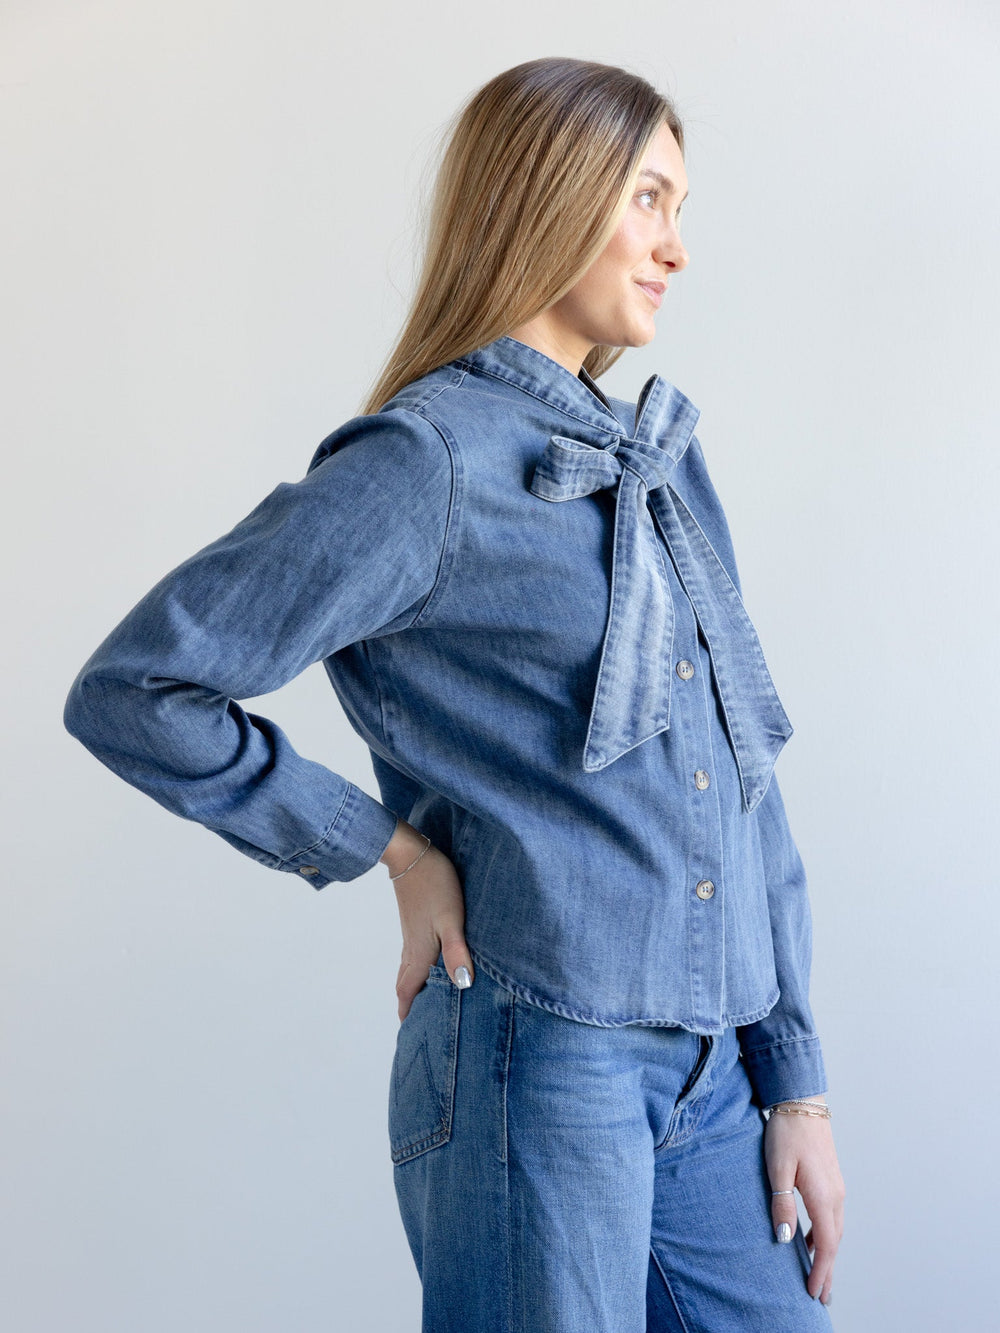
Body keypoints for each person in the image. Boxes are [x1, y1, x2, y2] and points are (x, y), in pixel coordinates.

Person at [64, 55, 845, 1333]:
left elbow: (741, 779)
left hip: (713, 1078)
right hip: (540, 1064)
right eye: (648, 200)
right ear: (551, 195)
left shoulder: (658, 465)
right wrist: (389, 848)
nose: (676, 248)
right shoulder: (424, 462)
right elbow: (138, 687)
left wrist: (793, 1081)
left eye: (680, 207)